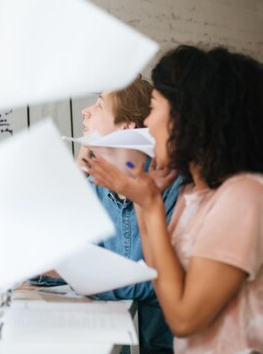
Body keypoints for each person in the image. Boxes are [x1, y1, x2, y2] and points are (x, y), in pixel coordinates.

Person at [87, 45, 263, 354]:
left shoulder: (244, 196)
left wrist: (151, 206)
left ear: (190, 117)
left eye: (153, 108)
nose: (147, 123)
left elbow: (182, 319)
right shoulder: (192, 195)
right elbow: (159, 276)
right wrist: (145, 199)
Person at [34, 78, 182, 354]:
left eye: (99, 105)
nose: (85, 111)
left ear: (127, 126)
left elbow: (163, 284)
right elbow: (67, 262)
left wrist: (75, 273)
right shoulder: (97, 186)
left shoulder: (173, 187)